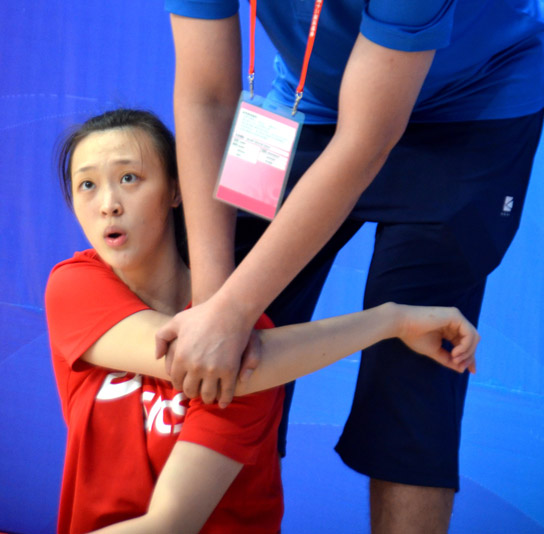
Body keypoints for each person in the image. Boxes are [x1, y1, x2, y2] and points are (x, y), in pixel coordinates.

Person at [158, 0, 544, 533]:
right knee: (218, 325)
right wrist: (218, 297)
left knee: (419, 356)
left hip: (467, 110)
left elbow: (367, 139)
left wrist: (232, 309)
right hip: (303, 98)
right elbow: (207, 97)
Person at [45, 108, 479, 534]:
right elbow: (198, 356)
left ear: (177, 190)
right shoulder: (74, 287)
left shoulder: (246, 344)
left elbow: (170, 523)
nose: (108, 205)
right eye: (86, 185)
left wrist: (394, 319)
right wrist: (392, 320)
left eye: (129, 178)